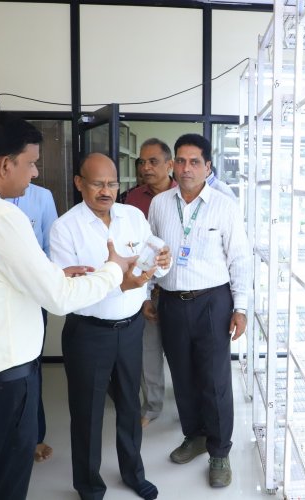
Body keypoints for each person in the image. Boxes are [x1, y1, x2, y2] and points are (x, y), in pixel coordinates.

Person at [0, 110, 138, 500]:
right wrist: (114, 271)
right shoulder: (0, 217)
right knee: (5, 483)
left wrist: (55, 275)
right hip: (3, 378)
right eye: (31, 163)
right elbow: (59, 298)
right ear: (4, 164)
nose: (34, 173)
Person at [49, 152, 170, 500]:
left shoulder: (132, 216)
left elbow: (154, 264)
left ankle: (133, 472)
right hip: (88, 334)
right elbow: (68, 291)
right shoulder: (65, 227)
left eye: (112, 183)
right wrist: (119, 282)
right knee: (87, 414)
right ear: (79, 183)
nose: (106, 191)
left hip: (131, 329)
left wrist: (163, 261)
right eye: (97, 183)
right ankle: (88, 486)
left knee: (131, 406)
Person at [146, 133, 251, 488]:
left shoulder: (225, 206)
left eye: (194, 162)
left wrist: (241, 308)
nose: (186, 168)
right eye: (180, 160)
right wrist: (148, 292)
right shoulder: (160, 204)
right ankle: (195, 435)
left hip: (213, 302)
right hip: (172, 301)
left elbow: (239, 259)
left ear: (208, 167)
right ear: (173, 165)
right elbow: (151, 251)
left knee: (215, 379)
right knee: (183, 374)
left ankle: (220, 450)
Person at [121, 138, 176, 428]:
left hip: (180, 288)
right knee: (149, 351)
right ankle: (152, 406)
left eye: (152, 161)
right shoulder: (133, 199)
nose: (145, 167)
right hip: (146, 287)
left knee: (181, 353)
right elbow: (129, 249)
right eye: (141, 162)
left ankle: (187, 406)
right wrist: (142, 293)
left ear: (169, 165)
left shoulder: (186, 196)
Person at [5, 182, 57, 462]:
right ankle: (4, 438)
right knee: (0, 368)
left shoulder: (42, 196)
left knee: (30, 365)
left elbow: (51, 246)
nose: (36, 171)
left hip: (33, 298)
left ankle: (35, 435)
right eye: (30, 161)